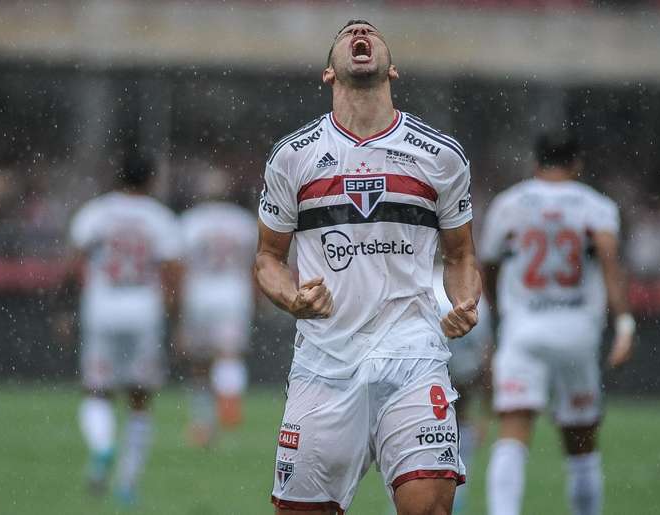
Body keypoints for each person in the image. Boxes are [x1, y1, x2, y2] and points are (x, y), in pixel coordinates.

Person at [254, 19, 481, 515]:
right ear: (328, 73)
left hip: (413, 356)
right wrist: (292, 297)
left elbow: (461, 256)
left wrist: (466, 301)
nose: (360, 32)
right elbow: (268, 258)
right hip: (325, 363)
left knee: (429, 509)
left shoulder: (441, 156)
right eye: (347, 32)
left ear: (392, 68)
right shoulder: (292, 157)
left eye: (370, 31)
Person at [479, 129, 636, 515]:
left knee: (513, 431)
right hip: (577, 331)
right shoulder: (596, 207)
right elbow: (611, 264)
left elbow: (489, 263)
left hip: (524, 330)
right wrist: (625, 325)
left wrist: (498, 313)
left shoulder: (509, 204)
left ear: (536, 162)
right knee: (581, 444)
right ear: (577, 163)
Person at [67, 154, 182, 503]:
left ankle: (102, 447)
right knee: (140, 400)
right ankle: (128, 483)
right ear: (150, 180)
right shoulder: (160, 218)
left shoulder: (96, 212)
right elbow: (174, 273)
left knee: (96, 390)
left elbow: (75, 261)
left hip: (102, 307)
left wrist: (63, 309)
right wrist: (174, 320)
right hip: (143, 311)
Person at [179, 170, 257, 445]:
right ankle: (229, 401)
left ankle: (202, 424)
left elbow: (180, 265)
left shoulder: (190, 222)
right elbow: (256, 264)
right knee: (229, 355)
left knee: (199, 362)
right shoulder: (244, 222)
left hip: (199, 293)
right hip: (233, 293)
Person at [431, 266, 492, 515]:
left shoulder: (430, 280)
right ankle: (455, 494)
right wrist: (486, 412)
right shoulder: (476, 297)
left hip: (425, 356)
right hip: (463, 351)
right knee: (460, 408)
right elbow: (484, 358)